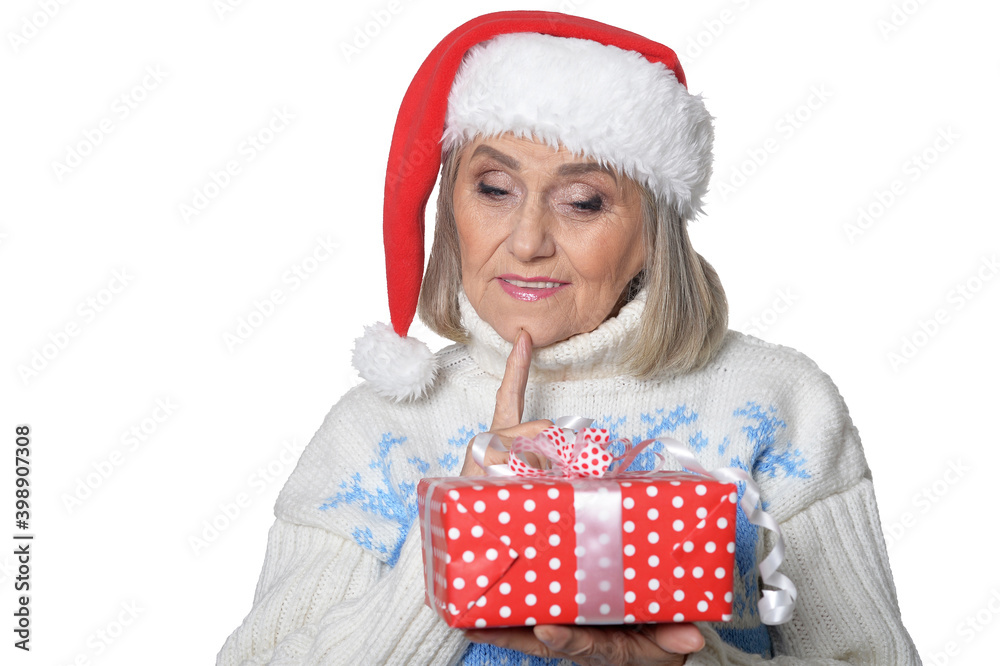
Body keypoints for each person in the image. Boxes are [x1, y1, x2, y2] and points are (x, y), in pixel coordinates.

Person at [217, 11, 919, 665]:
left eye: (583, 201)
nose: (526, 242)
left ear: (653, 231)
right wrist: (453, 557)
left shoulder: (780, 406)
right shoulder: (375, 433)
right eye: (494, 188)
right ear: (450, 205)